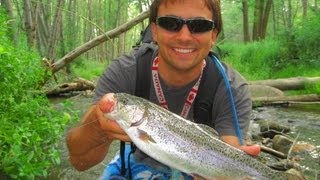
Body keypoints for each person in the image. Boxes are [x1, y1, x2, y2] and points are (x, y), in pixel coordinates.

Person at [66, 0, 260, 179]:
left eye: (199, 26)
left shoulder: (231, 87)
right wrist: (97, 125)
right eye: (170, 23)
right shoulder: (124, 72)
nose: (184, 37)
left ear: (213, 36)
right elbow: (79, 163)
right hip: (136, 162)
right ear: (155, 31)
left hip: (200, 168)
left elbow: (230, 149)